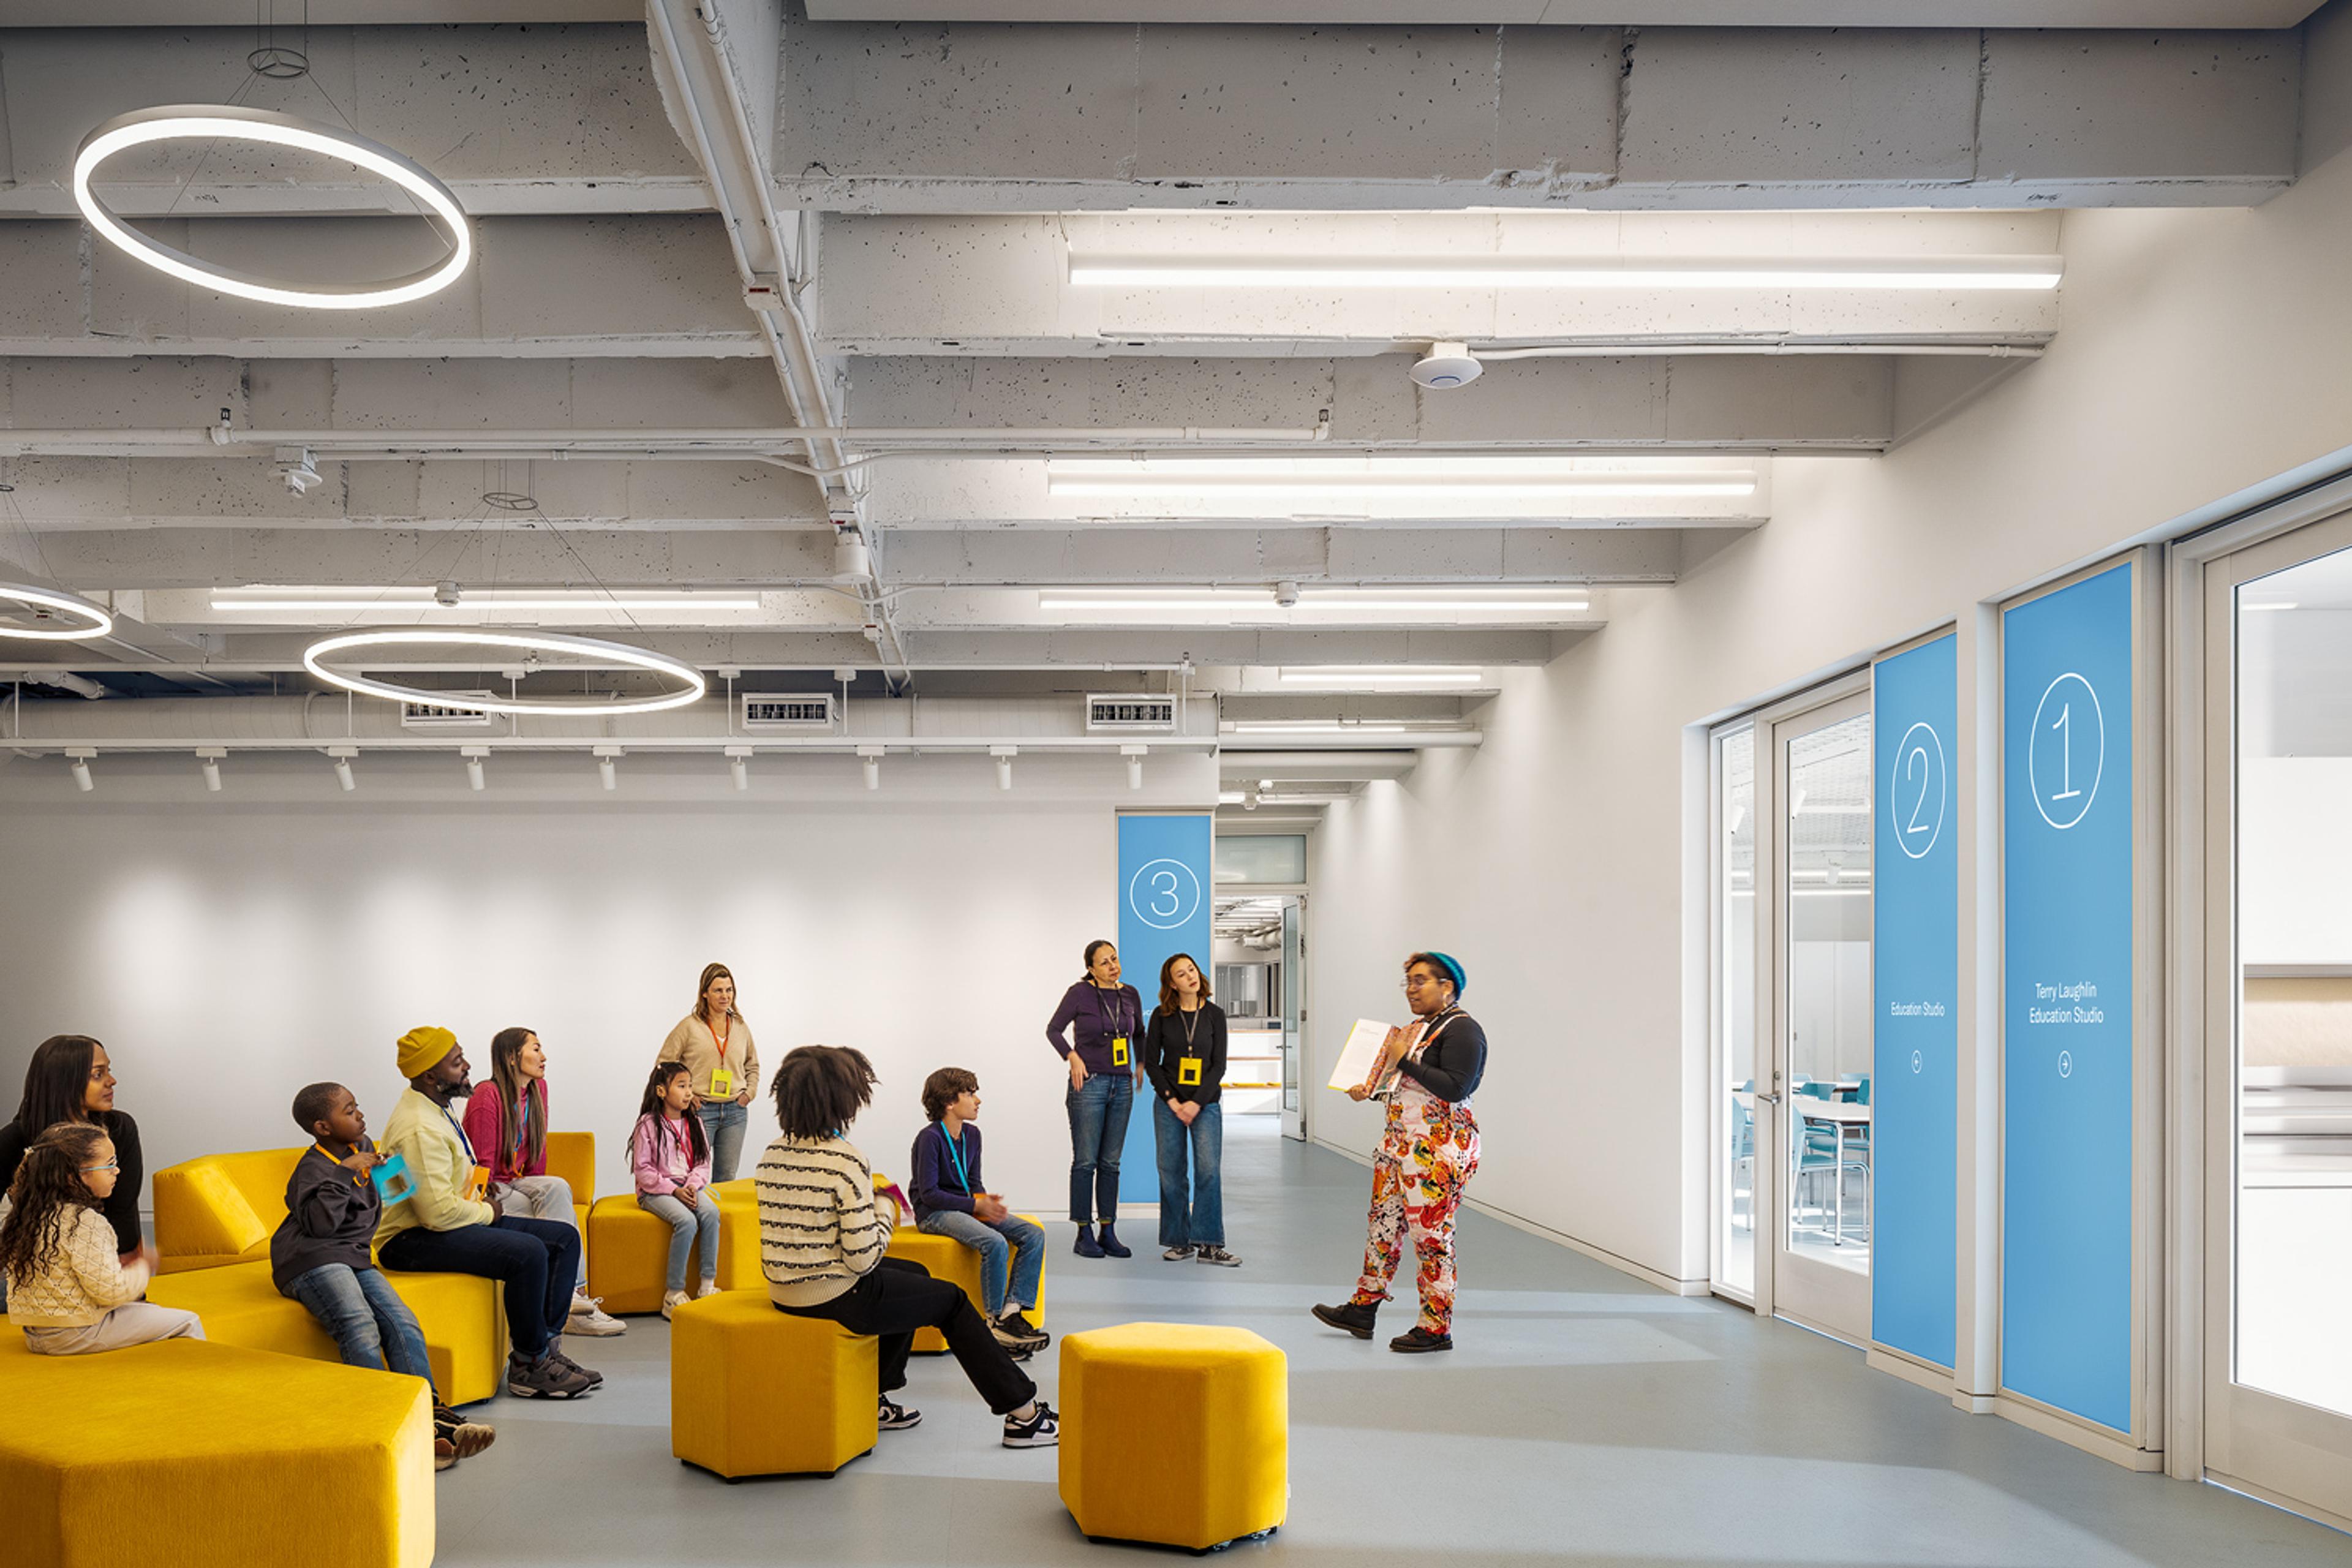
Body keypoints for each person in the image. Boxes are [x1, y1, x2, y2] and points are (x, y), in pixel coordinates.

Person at [756, 1045, 1059, 1449]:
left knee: (915, 1276)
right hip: (836, 1295)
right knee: (951, 1301)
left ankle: (875, 1398)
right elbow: (863, 1259)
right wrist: (885, 1208)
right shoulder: (844, 1160)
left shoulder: (772, 1153)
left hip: (784, 1291)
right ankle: (1024, 1414)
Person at [274, 1082, 497, 1471]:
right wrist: (344, 1175)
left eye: (357, 1106)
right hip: (311, 1259)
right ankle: (383, 1428)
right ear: (323, 1128)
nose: (359, 1114)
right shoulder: (313, 1168)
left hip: (354, 1257)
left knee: (403, 1323)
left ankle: (430, 1419)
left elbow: (395, 1199)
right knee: (359, 1326)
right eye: (348, 1110)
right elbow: (320, 1228)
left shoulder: (363, 1149)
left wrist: (396, 1171)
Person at [373, 1025, 601, 1400]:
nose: (466, 1067)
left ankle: (543, 1351)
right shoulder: (418, 1126)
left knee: (562, 1239)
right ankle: (530, 1367)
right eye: (456, 1061)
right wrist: (488, 1212)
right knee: (527, 1253)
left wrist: (480, 1197)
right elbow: (436, 1214)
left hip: (437, 1222)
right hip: (409, 1239)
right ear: (430, 1075)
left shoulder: (434, 1107)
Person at [1313, 951, 1487, 1354]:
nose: (1412, 988)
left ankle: (1435, 1326)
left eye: (1421, 980)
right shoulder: (1415, 1030)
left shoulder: (1463, 1031)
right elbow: (1405, 1086)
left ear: (1448, 987)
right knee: (1382, 1228)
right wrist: (1368, 1089)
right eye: (1408, 981)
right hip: (1397, 1147)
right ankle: (1363, 1308)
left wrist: (1403, 1059)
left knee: (1432, 1238)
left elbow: (1455, 1088)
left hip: (1438, 1153)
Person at [461, 1026, 624, 1336]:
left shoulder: (538, 1090)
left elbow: (537, 1154)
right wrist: (484, 1203)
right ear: (512, 1057)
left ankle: (573, 1296)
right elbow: (482, 1165)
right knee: (545, 1200)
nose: (543, 1056)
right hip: (491, 1188)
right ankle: (570, 1305)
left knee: (557, 1187)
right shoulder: (487, 1094)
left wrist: (539, 1191)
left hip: (518, 1183)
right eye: (535, 1049)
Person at [1, 1121, 202, 1354]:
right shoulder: (84, 1221)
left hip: (37, 1335)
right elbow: (111, 1293)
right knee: (188, 1321)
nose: (117, 1171)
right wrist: (143, 1267)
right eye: (109, 1165)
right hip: (77, 1335)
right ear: (73, 1176)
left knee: (149, 1312)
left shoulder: (27, 1216)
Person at [908, 1068, 1050, 1354]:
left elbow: (973, 1183)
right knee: (994, 1242)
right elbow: (930, 1195)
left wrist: (986, 1204)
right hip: (934, 1213)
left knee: (1033, 1234)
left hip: (965, 1206)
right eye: (970, 1094)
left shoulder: (973, 1135)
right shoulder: (930, 1138)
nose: (978, 1101)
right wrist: (976, 1205)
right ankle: (994, 1323)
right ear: (949, 1102)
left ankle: (1012, 1313)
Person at [0, 1035, 145, 1263]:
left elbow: (124, 1218)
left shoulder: (120, 1130)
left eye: (109, 1071)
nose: (112, 1081)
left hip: (105, 1264)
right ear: (65, 1082)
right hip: (38, 1269)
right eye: (99, 1074)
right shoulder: (15, 1139)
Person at [1045, 939, 1144, 1259]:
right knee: (1086, 1161)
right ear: (1091, 968)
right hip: (1090, 1085)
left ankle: (1109, 1231)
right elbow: (1054, 1030)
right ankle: (1083, 1232)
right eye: (1104, 962)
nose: (1112, 966)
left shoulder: (1130, 994)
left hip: (1122, 1085)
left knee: (1111, 1163)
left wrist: (1139, 1064)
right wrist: (1072, 1056)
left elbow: (1139, 1033)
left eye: (1114, 959)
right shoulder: (1080, 993)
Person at [1144, 953, 1238, 1266]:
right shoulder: (1160, 1016)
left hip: (1206, 1104)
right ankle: (1179, 1241)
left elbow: (1218, 1066)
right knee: (1171, 1173)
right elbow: (1152, 1064)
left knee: (1208, 1172)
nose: (1190, 977)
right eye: (1181, 974)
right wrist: (1173, 1101)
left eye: (1192, 970)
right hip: (1168, 1105)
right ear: (1172, 983)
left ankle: (1209, 1244)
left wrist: (1196, 1103)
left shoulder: (1215, 1015)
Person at [631, 1061, 722, 1318]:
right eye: (682, 1086)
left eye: (690, 1086)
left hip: (688, 1186)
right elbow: (643, 1170)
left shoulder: (695, 1123)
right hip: (656, 1191)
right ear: (661, 1091)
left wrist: (691, 1186)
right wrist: (673, 1191)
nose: (688, 1093)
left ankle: (707, 1286)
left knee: (711, 1214)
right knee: (686, 1221)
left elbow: (704, 1163)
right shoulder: (647, 1124)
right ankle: (673, 1293)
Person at [658, 962, 759, 1184]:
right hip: (700, 1111)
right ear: (705, 993)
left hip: (735, 1112)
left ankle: (720, 1220)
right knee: (692, 1176)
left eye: (729, 990)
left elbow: (753, 1065)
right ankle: (694, 1220)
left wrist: (748, 1094)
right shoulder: (689, 1026)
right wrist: (687, 1096)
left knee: (727, 1178)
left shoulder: (741, 1027)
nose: (725, 996)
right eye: (718, 990)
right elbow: (664, 1066)